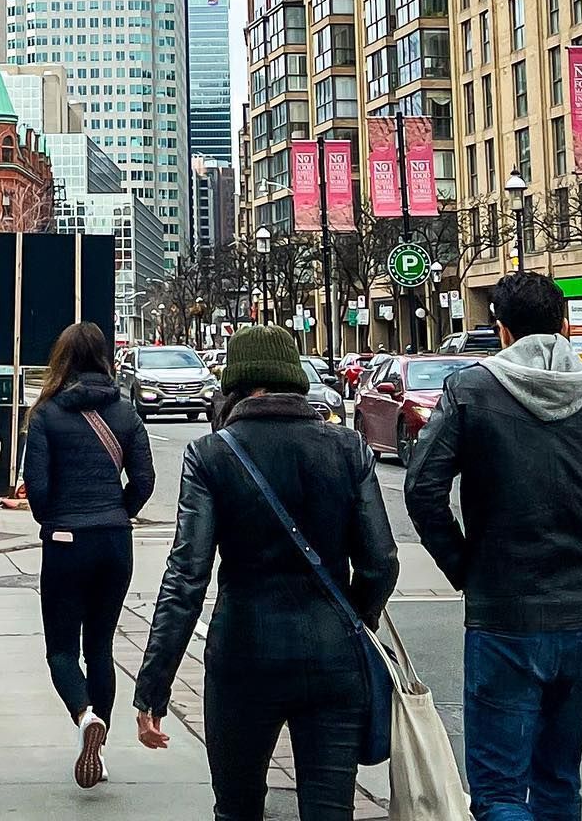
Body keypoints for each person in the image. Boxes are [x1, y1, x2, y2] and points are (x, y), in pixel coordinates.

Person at [406, 271, 582, 821]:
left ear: (502, 331)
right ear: (564, 326)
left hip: (504, 614)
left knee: (498, 790)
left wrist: (466, 565)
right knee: (559, 779)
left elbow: (423, 490)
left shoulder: (471, 391)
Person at [134, 323, 398, 820]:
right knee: (329, 810)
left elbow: (187, 576)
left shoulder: (212, 454)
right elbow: (381, 561)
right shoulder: (348, 448)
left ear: (238, 384)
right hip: (332, 656)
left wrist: (155, 684)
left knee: (237, 809)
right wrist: (350, 617)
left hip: (243, 656)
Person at [23, 321, 155, 787]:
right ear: (105, 358)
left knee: (61, 647)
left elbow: (36, 490)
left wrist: (56, 519)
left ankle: (83, 717)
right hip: (115, 542)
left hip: (65, 540)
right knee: (100, 646)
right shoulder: (126, 414)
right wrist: (119, 512)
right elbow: (144, 481)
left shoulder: (46, 415)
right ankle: (101, 737)